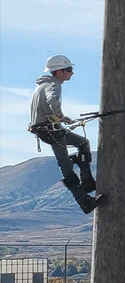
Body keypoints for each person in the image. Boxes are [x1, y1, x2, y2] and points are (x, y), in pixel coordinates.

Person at [28, 55, 103, 214]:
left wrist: (62, 118)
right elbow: (52, 101)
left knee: (72, 157)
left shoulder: (41, 85)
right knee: (77, 151)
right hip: (52, 130)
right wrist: (60, 116)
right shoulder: (53, 84)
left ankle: (87, 187)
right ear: (59, 71)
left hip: (46, 130)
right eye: (69, 69)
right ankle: (86, 196)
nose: (72, 73)